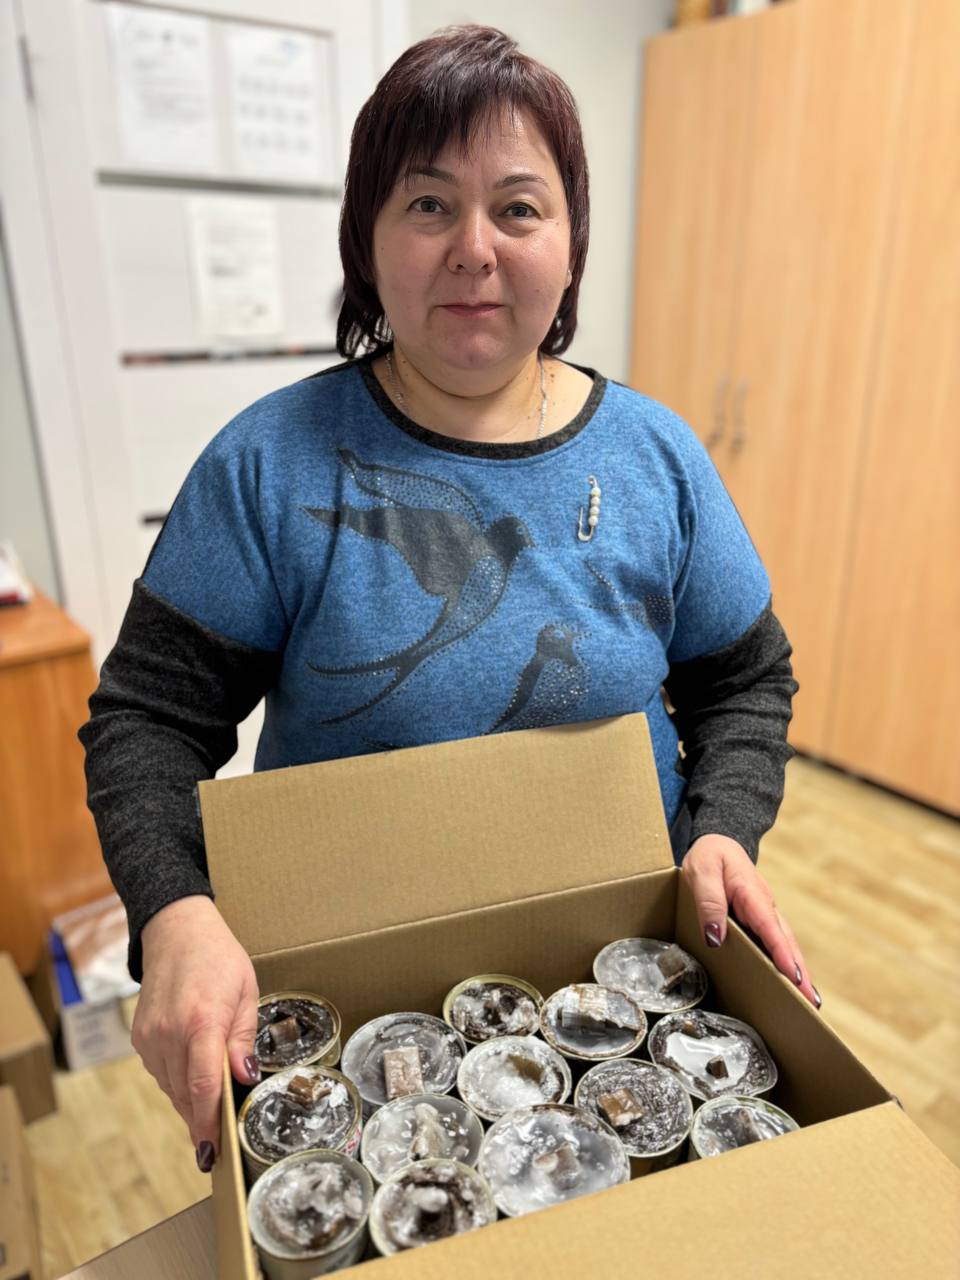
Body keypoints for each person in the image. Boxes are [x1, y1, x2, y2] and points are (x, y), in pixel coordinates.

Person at [80, 25, 818, 1179]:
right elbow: (148, 719)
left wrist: (723, 825)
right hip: (342, 997)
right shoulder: (269, 465)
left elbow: (744, 676)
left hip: (623, 982)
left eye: (518, 208)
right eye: (429, 204)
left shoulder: (658, 458)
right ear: (367, 239)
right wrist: (173, 908)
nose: (475, 248)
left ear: (571, 241)